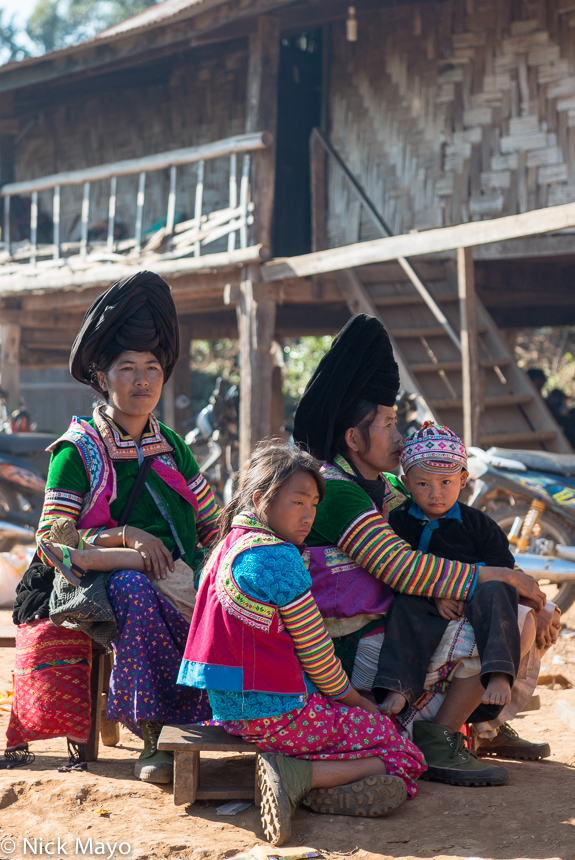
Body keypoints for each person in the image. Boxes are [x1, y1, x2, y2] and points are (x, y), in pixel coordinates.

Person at [293, 314, 561, 785]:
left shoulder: (389, 487)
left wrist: (520, 591)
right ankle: (440, 738)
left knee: (522, 609)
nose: (401, 437)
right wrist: (509, 581)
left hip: (399, 631)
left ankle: (482, 724)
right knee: (510, 614)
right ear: (354, 439)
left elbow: (441, 554)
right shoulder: (334, 489)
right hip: (352, 650)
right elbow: (401, 569)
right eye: (390, 424)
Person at [4, 271, 220, 782]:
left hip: (177, 577)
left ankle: (223, 717)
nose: (142, 380)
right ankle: (155, 733)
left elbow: (212, 523)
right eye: (127, 368)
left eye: (152, 367)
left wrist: (220, 569)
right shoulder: (76, 452)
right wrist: (129, 544)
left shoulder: (173, 446)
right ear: (103, 378)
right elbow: (53, 542)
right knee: (134, 587)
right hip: (97, 582)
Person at [179, 440, 425, 846]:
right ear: (261, 499)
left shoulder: (229, 544)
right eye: (298, 503)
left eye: (313, 504)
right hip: (279, 715)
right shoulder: (277, 558)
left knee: (362, 735)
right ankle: (298, 778)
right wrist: (361, 704)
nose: (309, 515)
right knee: (402, 750)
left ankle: (317, 786)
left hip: (232, 709)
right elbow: (319, 658)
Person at [375, 421, 535, 720]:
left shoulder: (478, 523)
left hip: (480, 597)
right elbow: (393, 569)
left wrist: (464, 586)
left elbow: (502, 565)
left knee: (499, 588)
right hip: (426, 600)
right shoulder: (398, 523)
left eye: (445, 482)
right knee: (405, 608)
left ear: (463, 479)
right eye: (423, 484)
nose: (435, 493)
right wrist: (436, 594)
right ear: (406, 483)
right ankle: (397, 687)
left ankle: (499, 672)